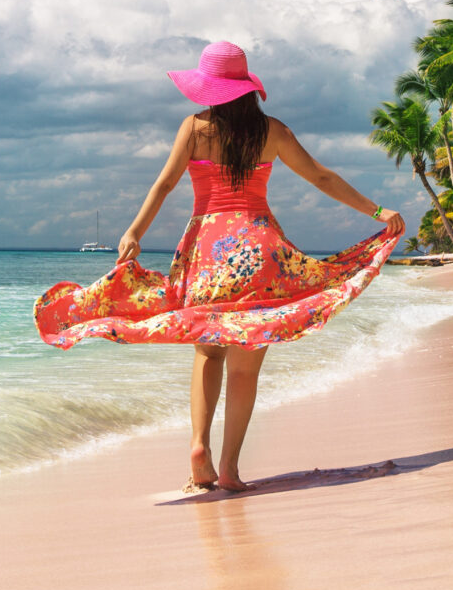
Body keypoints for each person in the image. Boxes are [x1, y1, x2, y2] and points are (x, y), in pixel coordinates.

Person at [34, 41, 406, 493]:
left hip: (207, 250)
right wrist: (377, 211)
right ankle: (229, 467)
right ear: (247, 87)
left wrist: (134, 232)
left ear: (209, 88)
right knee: (245, 369)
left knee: (207, 351)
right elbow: (321, 176)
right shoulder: (272, 131)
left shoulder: (194, 127)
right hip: (259, 249)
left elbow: (166, 182)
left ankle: (198, 446)